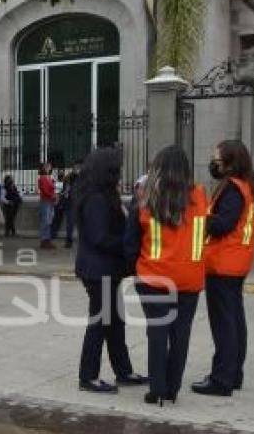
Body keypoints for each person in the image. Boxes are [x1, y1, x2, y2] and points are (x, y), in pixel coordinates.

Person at [125, 145, 208, 406]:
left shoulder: (146, 198)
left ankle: (157, 388)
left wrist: (133, 267)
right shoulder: (200, 195)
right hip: (189, 278)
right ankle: (173, 388)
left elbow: (131, 241)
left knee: (157, 331)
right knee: (181, 333)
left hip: (154, 277)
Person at [73, 148, 145, 394]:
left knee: (115, 322)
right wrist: (128, 242)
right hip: (98, 270)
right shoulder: (96, 200)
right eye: (116, 170)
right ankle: (88, 376)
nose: (120, 174)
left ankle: (123, 371)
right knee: (100, 322)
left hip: (106, 269)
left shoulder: (104, 196)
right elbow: (100, 237)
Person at [192, 140, 254, 397]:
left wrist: (200, 217)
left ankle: (222, 379)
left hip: (224, 263)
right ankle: (233, 374)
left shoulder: (232, 189)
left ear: (231, 162)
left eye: (217, 160)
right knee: (234, 321)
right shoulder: (245, 187)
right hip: (236, 262)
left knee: (224, 324)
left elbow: (224, 225)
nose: (213, 164)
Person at [52, 165, 77, 248]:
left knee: (70, 223)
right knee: (62, 220)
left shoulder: (75, 179)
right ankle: (54, 234)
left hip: (71, 203)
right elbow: (59, 191)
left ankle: (68, 240)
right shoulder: (64, 180)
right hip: (66, 202)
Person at [38, 162, 56, 249]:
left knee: (48, 220)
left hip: (49, 201)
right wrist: (52, 196)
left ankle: (47, 239)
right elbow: (45, 190)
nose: (49, 168)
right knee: (46, 221)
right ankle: (44, 239)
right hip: (46, 200)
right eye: (47, 167)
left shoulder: (48, 178)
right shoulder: (43, 178)